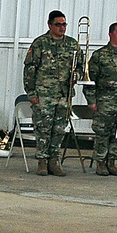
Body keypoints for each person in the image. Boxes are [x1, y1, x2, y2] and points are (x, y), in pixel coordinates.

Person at [23, 11, 83, 176]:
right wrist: (31, 93)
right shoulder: (40, 44)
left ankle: (54, 161)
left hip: (64, 94)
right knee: (43, 128)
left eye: (64, 24)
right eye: (58, 24)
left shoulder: (72, 45)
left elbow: (80, 67)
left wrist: (76, 76)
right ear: (50, 25)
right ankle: (42, 161)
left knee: (59, 129)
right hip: (44, 94)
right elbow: (29, 70)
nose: (62, 28)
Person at [86, 22, 117, 176]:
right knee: (102, 131)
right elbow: (90, 80)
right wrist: (91, 100)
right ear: (110, 34)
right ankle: (100, 162)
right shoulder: (100, 55)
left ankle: (112, 161)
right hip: (104, 101)